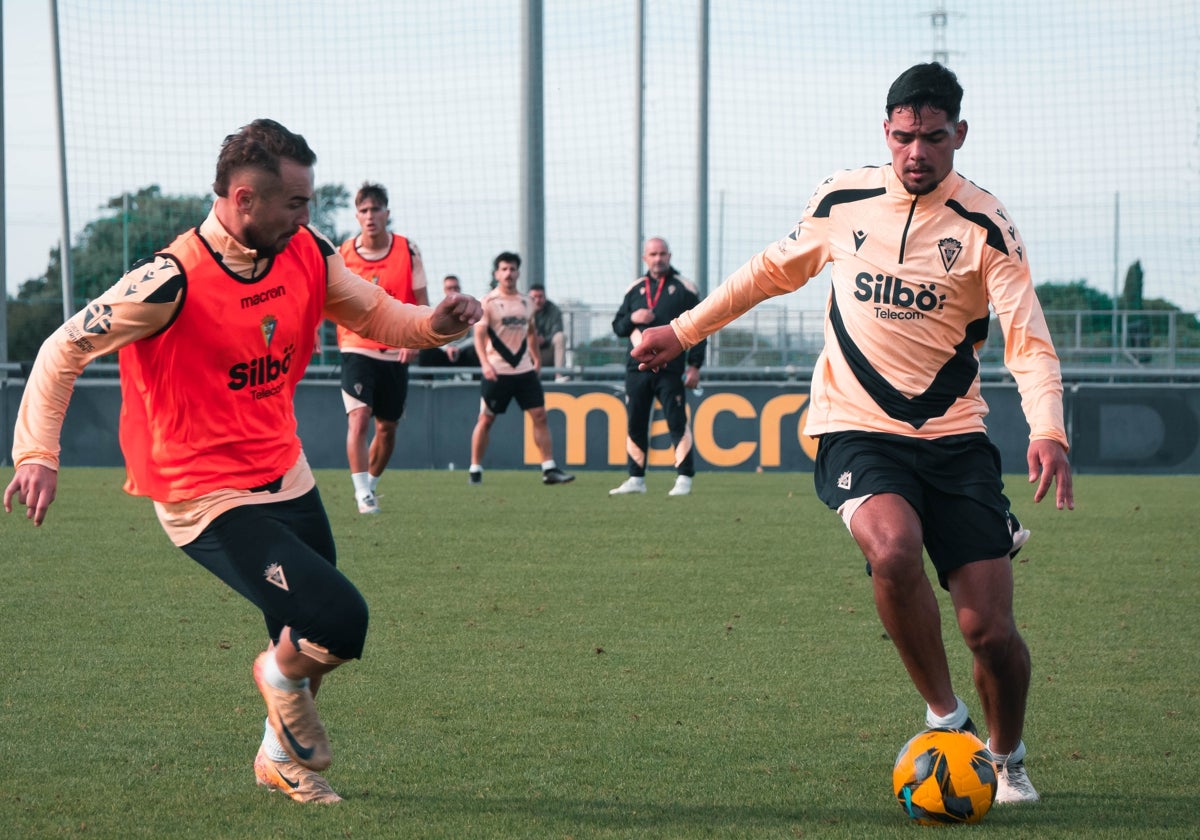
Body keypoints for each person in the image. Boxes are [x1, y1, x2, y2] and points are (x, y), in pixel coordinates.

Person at [630, 64, 1074, 804]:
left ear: (959, 135)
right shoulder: (843, 198)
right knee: (892, 546)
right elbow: (771, 271)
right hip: (854, 425)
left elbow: (1026, 340)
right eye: (904, 137)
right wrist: (682, 329)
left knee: (989, 632)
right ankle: (946, 719)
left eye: (933, 139)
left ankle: (1007, 755)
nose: (916, 154)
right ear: (886, 131)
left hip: (956, 438)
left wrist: (1048, 427)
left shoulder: (987, 225)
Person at [3, 119, 481, 804]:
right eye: (294, 203)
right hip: (204, 495)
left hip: (285, 472)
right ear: (241, 199)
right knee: (338, 621)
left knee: (302, 627)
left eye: (310, 202)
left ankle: (278, 758)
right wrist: (38, 452)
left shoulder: (307, 251)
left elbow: (376, 314)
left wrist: (436, 323)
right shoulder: (169, 280)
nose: (308, 217)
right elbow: (62, 347)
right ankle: (278, 679)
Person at [337, 182, 429, 514]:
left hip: (395, 348)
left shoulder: (408, 250)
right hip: (356, 345)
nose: (370, 216)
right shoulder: (343, 252)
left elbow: (421, 301)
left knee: (387, 428)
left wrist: (415, 339)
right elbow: (325, 295)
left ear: (387, 214)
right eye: (363, 210)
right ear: (357, 216)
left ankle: (371, 486)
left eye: (376, 209)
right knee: (359, 416)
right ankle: (361, 492)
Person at [467, 252, 575, 486]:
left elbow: (531, 332)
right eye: (504, 269)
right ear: (497, 274)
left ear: (518, 272)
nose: (509, 273)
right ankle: (475, 469)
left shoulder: (527, 302)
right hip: (497, 371)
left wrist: (536, 359)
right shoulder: (488, 302)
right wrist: (485, 365)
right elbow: (479, 336)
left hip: (524, 371)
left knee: (540, 416)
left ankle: (549, 468)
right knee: (486, 419)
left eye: (513, 269)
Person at [610, 237, 706, 497]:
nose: (658, 258)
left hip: (670, 367)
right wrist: (633, 317)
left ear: (670, 255)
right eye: (653, 254)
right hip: (637, 368)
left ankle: (684, 477)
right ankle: (636, 478)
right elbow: (618, 326)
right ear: (645, 258)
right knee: (636, 422)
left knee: (676, 421)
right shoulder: (635, 289)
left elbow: (700, 327)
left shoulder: (685, 288)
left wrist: (695, 365)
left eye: (662, 253)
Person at [418, 274, 479, 370]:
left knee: (475, 350)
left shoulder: (469, 309)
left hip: (463, 352)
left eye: (456, 287)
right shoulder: (435, 310)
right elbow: (431, 336)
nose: (453, 291)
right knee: (426, 351)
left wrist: (459, 348)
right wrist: (447, 348)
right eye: (449, 288)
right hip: (443, 351)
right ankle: (426, 384)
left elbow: (475, 338)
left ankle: (476, 384)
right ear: (444, 290)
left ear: (460, 289)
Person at [529, 283, 567, 381]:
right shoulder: (523, 309)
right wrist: (532, 338)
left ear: (545, 297)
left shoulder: (554, 310)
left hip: (548, 351)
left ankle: (559, 376)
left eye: (540, 297)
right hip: (529, 351)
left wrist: (544, 340)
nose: (537, 300)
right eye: (534, 297)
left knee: (560, 337)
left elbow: (557, 330)